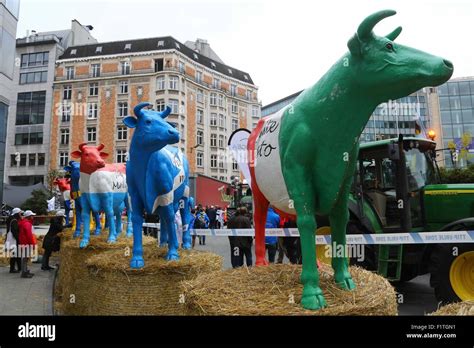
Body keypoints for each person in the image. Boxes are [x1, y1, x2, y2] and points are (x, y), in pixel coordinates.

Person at [18, 210, 37, 278]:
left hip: (23, 242)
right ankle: (24, 273)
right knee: (25, 258)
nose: (33, 217)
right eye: (32, 216)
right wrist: (32, 244)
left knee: (25, 258)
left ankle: (25, 271)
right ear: (28, 216)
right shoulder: (27, 224)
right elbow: (29, 235)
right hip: (26, 243)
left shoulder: (24, 222)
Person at [4, 208, 22, 273]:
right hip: (14, 240)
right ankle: (13, 269)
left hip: (12, 240)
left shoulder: (10, 219)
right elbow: (14, 231)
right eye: (20, 213)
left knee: (15, 254)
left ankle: (18, 268)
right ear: (17, 213)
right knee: (15, 254)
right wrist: (18, 239)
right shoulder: (14, 220)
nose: (20, 214)